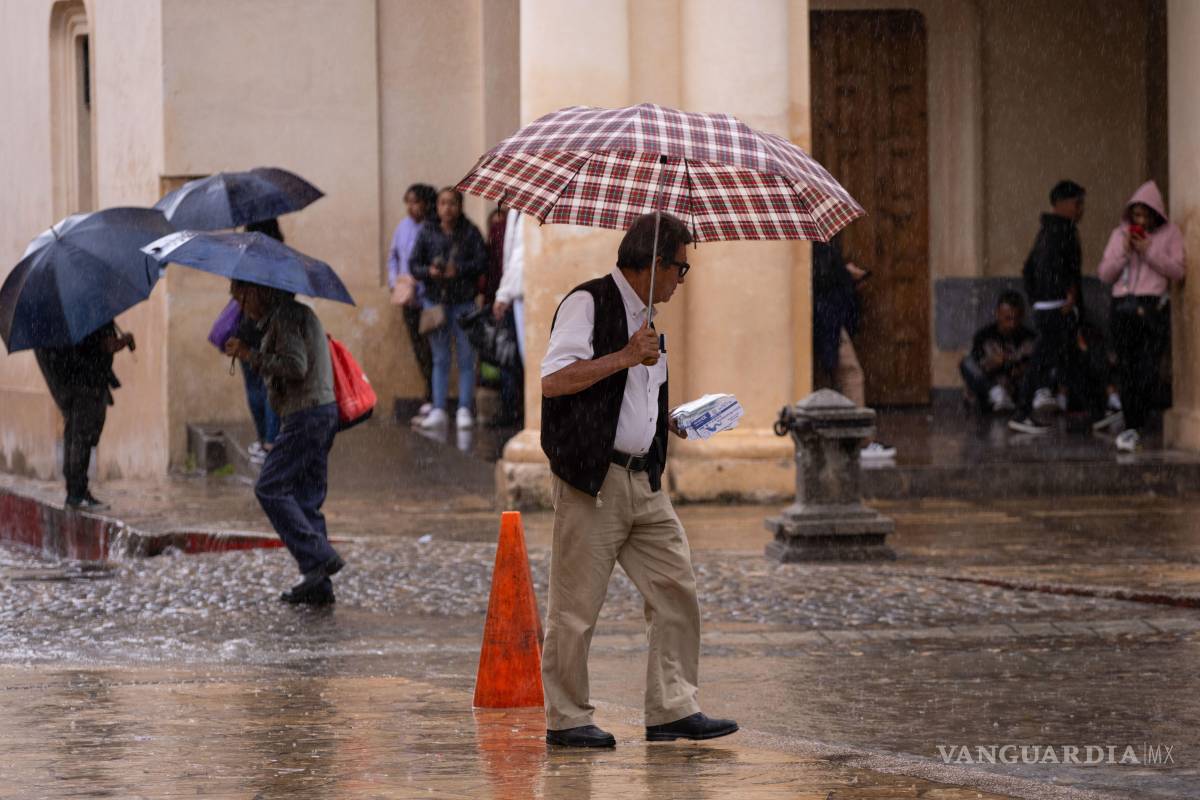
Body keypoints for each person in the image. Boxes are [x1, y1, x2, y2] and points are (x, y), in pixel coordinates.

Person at [540, 211, 737, 748]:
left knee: (676, 589)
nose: (682, 279)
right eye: (681, 267)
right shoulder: (588, 303)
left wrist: (670, 423)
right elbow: (554, 381)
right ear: (652, 263)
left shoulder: (650, 321)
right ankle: (566, 717)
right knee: (575, 607)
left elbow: (635, 399)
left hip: (644, 481)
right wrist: (625, 356)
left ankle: (672, 708)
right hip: (592, 479)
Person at [224, 279, 344, 606]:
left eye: (240, 297)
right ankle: (317, 583)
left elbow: (295, 365)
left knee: (269, 486)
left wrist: (252, 355)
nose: (239, 306)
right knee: (306, 497)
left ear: (257, 291)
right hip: (319, 412)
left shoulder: (286, 317)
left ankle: (318, 556)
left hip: (305, 414)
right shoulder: (293, 315)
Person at [1097, 180, 1186, 451]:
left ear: (1155, 214)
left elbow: (1178, 270)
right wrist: (1124, 252)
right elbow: (1104, 274)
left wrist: (1149, 251)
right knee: (1127, 367)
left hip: (1150, 305)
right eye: (1136, 215)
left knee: (1147, 367)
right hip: (1122, 304)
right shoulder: (1118, 234)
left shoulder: (1170, 234)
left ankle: (1139, 420)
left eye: (1146, 215)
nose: (1141, 221)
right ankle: (1131, 424)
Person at [1009, 180, 1086, 435]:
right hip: (1056, 308)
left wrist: (1037, 300)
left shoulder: (1047, 231)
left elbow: (1029, 268)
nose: (1080, 209)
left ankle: (1096, 408)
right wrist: (1064, 296)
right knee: (1046, 361)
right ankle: (1021, 412)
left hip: (1049, 307)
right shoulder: (1061, 232)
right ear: (1062, 204)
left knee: (1067, 358)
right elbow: (1066, 271)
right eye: (1077, 203)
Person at [409, 187, 487, 431]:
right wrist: (429, 272)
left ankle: (464, 407)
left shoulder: (470, 231)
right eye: (443, 203)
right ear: (437, 206)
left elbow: (482, 262)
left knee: (466, 357)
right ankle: (439, 408)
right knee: (440, 358)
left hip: (463, 302)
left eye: (452, 203)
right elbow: (413, 265)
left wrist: (459, 270)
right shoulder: (428, 231)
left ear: (460, 206)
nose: (447, 208)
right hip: (436, 302)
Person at [35, 322, 135, 509]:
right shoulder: (89, 311)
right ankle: (77, 492)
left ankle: (75, 490)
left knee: (75, 434)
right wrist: (123, 341)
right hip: (85, 382)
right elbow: (104, 345)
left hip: (71, 382)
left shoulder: (60, 316)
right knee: (82, 435)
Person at [811, 235, 895, 459]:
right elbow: (822, 273)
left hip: (823, 316)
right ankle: (860, 440)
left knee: (831, 375)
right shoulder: (813, 237)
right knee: (850, 373)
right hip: (826, 318)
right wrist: (844, 274)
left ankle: (832, 438)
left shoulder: (810, 236)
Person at [387, 183, 438, 423]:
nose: (411, 207)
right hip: (407, 296)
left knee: (434, 349)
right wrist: (395, 281)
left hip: (427, 295)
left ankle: (434, 397)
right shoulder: (402, 227)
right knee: (419, 348)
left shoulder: (432, 227)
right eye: (408, 201)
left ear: (426, 204)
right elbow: (393, 257)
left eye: (415, 202)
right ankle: (429, 393)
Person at [239, 218, 285, 463]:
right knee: (272, 387)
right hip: (274, 328)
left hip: (248, 329)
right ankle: (270, 440)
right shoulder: (281, 256)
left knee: (255, 387)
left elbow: (237, 292)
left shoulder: (245, 256)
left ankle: (263, 439)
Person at [960, 291, 1035, 412]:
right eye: (1008, 318)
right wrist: (993, 363)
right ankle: (997, 394)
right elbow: (977, 365)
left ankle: (1007, 399)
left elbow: (1033, 365)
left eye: (1016, 318)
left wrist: (1018, 367)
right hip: (991, 385)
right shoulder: (984, 336)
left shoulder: (1029, 337)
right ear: (998, 314)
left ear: (1022, 316)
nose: (1012, 324)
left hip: (1017, 387)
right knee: (966, 363)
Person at [491, 208, 525, 428]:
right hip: (517, 291)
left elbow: (519, 255)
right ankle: (517, 410)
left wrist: (503, 293)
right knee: (518, 355)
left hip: (523, 288)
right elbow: (511, 255)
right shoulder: (515, 212)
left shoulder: (528, 213)